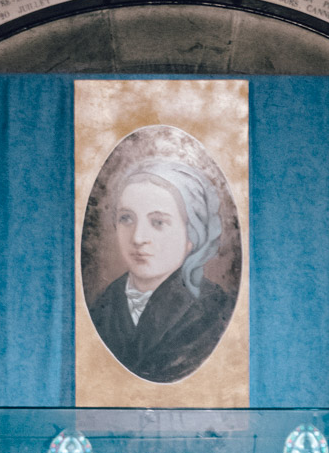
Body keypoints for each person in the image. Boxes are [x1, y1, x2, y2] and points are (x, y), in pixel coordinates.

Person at [87, 158, 235, 383]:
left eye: (158, 222)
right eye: (126, 219)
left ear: (192, 236)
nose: (138, 238)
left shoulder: (213, 311)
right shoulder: (102, 305)